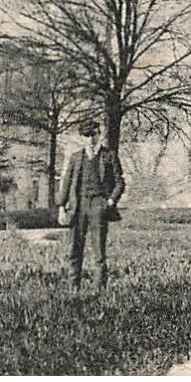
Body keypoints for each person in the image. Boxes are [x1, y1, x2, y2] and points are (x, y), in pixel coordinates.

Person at [57, 122, 125, 289]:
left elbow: (120, 182)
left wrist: (110, 201)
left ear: (99, 134)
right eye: (87, 135)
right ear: (82, 137)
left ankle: (99, 286)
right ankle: (74, 285)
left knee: (98, 248)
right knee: (74, 247)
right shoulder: (76, 157)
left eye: (93, 134)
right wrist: (61, 206)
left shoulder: (109, 156)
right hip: (78, 205)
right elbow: (66, 182)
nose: (90, 139)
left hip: (98, 205)